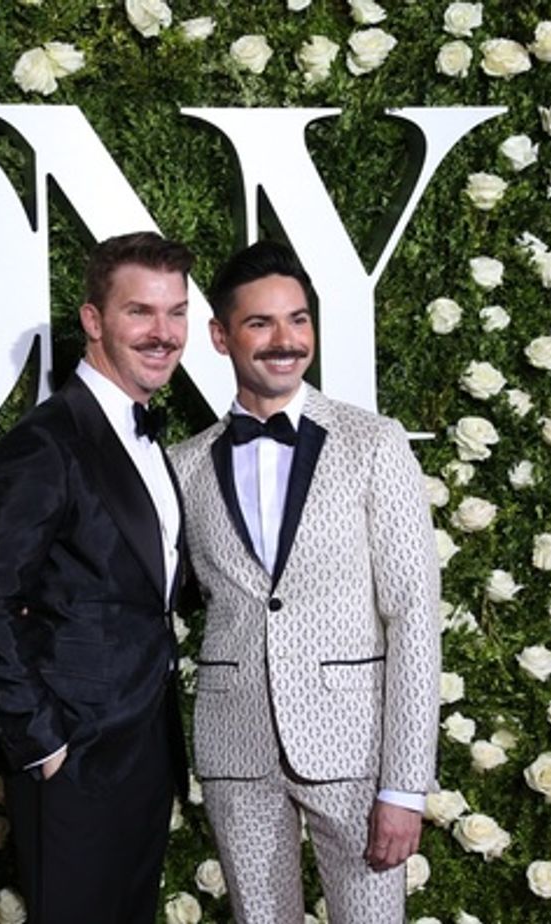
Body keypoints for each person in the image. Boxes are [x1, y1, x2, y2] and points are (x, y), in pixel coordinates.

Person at [169, 240, 440, 923]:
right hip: (238, 749)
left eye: (298, 320)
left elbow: (413, 613)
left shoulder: (373, 442)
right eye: (261, 324)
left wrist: (405, 788)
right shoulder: (185, 466)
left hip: (355, 750)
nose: (285, 341)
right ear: (221, 336)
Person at [0, 231, 193, 924]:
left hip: (145, 746)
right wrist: (46, 744)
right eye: (140, 312)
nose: (163, 333)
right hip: (79, 757)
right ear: (93, 320)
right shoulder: (45, 444)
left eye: (175, 312)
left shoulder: (142, 432)